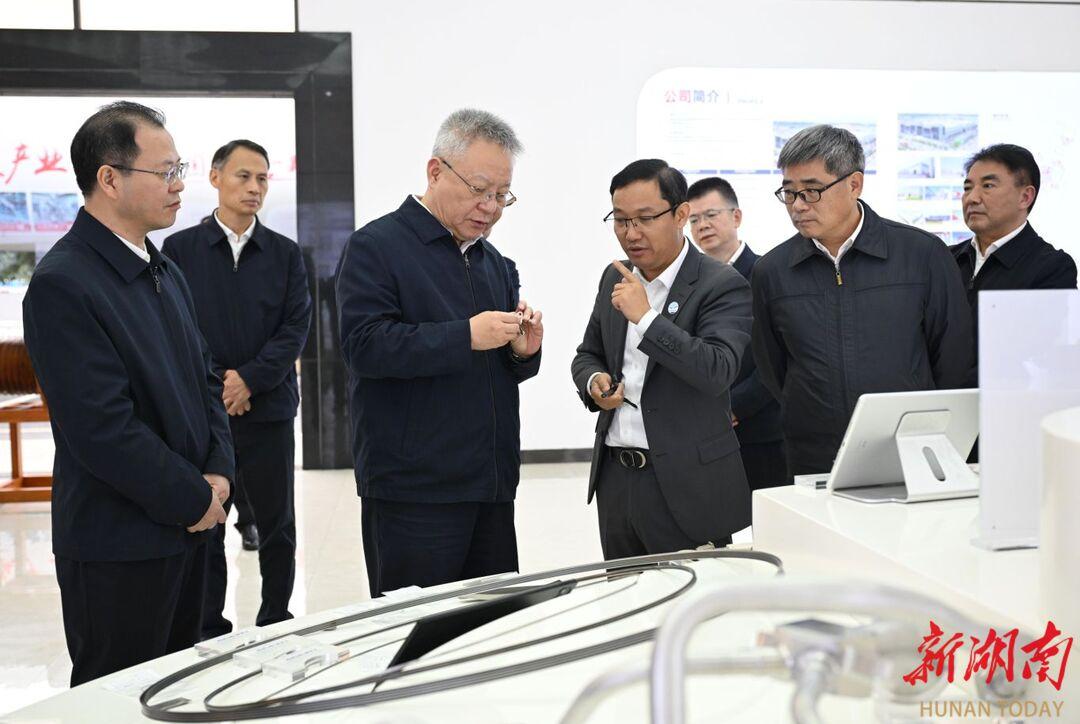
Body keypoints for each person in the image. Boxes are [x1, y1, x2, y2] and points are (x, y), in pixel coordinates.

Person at [22, 101, 234, 685]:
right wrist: (193, 498)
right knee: (118, 697)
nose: (180, 185)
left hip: (192, 528)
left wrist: (219, 470)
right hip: (120, 546)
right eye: (165, 172)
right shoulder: (64, 283)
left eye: (178, 169)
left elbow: (205, 378)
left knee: (182, 692)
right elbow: (102, 430)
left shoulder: (165, 270)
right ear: (109, 179)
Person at [336, 109, 542, 596]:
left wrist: (522, 352)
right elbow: (365, 347)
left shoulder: (495, 263)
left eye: (501, 195)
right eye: (479, 189)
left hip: (490, 484)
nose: (489, 207)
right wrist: (465, 335)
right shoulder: (376, 247)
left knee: (490, 627)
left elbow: (498, 368)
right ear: (435, 172)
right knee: (419, 630)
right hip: (414, 492)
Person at [751, 124, 974, 477]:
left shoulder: (922, 254)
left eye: (811, 191)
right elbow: (774, 368)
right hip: (813, 457)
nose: (798, 205)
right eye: (789, 193)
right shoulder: (771, 271)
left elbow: (953, 360)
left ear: (854, 184)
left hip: (910, 449)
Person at [164, 139, 311, 638]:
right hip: (206, 415)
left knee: (277, 522)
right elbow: (178, 326)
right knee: (209, 521)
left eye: (262, 178)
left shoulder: (285, 254)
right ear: (215, 178)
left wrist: (250, 379)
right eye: (243, 176)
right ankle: (209, 626)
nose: (254, 187)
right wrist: (220, 384)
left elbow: (295, 327)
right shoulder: (179, 250)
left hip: (269, 410)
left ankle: (276, 619)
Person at [570, 159, 752, 560]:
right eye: (620, 220)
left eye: (645, 218)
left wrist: (647, 319)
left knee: (693, 596)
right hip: (617, 479)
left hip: (688, 483)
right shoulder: (615, 276)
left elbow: (717, 370)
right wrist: (594, 381)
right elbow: (588, 354)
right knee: (625, 592)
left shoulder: (721, 283)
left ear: (680, 214)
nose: (631, 233)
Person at [687, 177, 787, 490]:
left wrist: (735, 406)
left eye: (711, 215)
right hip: (703, 431)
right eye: (694, 219)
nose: (703, 225)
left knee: (766, 516)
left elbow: (779, 355)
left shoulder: (767, 273)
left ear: (736, 217)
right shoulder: (690, 282)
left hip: (762, 429)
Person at [952, 143, 1077, 357]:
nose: (972, 198)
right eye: (967, 188)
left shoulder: (1052, 267)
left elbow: (1034, 352)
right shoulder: (945, 258)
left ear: (1025, 197)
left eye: (988, 186)